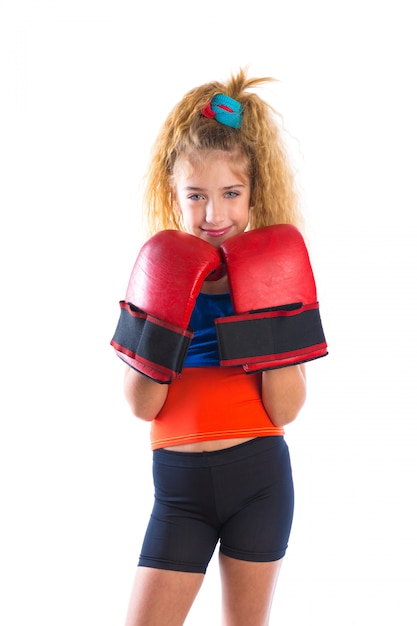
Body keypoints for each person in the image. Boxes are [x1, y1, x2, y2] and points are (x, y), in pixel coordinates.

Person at [110, 67, 328, 626]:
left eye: (232, 193)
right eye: (197, 196)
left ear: (255, 191)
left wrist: (262, 305)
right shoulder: (160, 270)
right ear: (173, 194)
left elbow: (286, 409)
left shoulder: (276, 270)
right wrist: (166, 302)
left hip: (259, 480)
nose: (215, 214)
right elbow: (141, 406)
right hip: (178, 494)